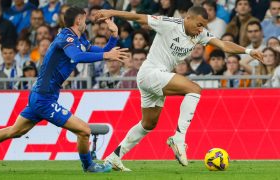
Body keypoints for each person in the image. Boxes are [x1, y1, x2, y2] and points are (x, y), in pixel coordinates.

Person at [0, 6, 128, 174]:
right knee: (84, 131)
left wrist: (113, 35)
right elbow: (77, 57)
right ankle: (89, 166)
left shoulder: (79, 40)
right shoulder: (66, 38)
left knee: (15, 131)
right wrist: (106, 55)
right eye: (84, 19)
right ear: (78, 20)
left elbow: (104, 51)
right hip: (44, 99)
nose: (86, 23)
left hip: (41, 96)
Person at [94, 6, 263, 171]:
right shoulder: (170, 23)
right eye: (198, 24)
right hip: (150, 73)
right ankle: (179, 138)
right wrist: (111, 12)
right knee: (194, 89)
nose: (201, 29)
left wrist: (248, 51)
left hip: (159, 77)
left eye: (203, 25)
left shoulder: (200, 34)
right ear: (188, 18)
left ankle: (114, 157)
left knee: (148, 124)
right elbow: (139, 17)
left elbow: (224, 45)